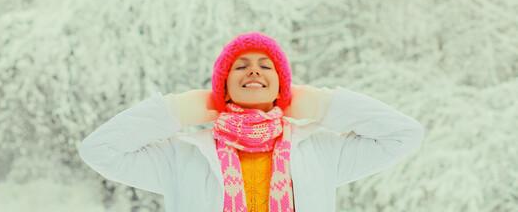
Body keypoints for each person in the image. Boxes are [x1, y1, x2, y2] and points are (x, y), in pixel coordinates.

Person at [79, 32, 424, 212]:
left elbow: (403, 135)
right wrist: (177, 111)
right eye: (240, 66)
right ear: (223, 87)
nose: (254, 70)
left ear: (282, 85)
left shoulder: (320, 151)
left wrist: (321, 103)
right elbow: (99, 150)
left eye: (266, 65)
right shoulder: (183, 156)